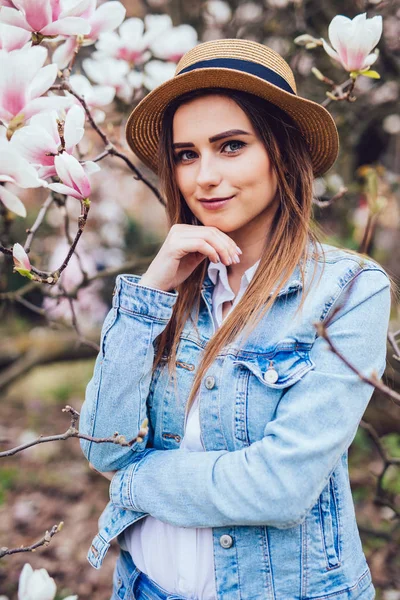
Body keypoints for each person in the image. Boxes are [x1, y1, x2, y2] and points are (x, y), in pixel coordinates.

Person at [78, 39, 393, 600]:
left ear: (282, 150)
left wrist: (133, 480)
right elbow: (104, 445)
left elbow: (279, 488)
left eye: (230, 146)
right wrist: (149, 295)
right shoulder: (169, 289)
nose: (204, 177)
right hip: (141, 586)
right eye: (186, 154)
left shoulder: (348, 290)